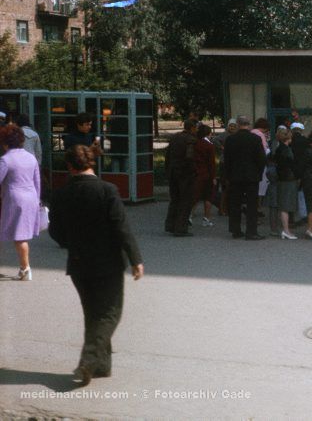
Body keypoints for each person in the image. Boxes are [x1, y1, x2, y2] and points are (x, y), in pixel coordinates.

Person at [49, 144, 143, 386]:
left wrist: (73, 244)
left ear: (69, 166)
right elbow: (121, 227)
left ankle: (102, 366)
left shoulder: (60, 194)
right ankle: (88, 362)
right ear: (92, 163)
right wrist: (135, 259)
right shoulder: (106, 190)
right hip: (107, 262)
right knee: (110, 313)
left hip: (79, 264)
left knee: (93, 314)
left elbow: (56, 232)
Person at [0, 124, 42, 281]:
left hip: (14, 198)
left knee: (19, 237)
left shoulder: (5, 160)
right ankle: (24, 268)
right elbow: (37, 181)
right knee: (21, 234)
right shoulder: (31, 158)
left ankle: (25, 268)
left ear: (5, 142)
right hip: (30, 196)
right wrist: (37, 200)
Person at [223, 116, 266, 241]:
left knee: (235, 203)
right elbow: (261, 159)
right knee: (252, 205)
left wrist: (228, 175)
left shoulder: (230, 139)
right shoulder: (255, 139)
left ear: (237, 124)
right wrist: (258, 173)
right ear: (249, 124)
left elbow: (227, 160)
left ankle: (235, 230)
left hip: (235, 176)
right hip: (252, 176)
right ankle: (251, 232)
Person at [164, 119, 197, 236]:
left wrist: (168, 171)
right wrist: (193, 171)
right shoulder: (191, 140)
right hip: (185, 174)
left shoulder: (175, 137)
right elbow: (190, 157)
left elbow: (167, 156)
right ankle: (181, 228)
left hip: (173, 172)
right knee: (185, 200)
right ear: (192, 128)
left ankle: (170, 224)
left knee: (175, 199)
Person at [274, 127, 298, 239]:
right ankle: (286, 230)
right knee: (285, 206)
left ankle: (286, 230)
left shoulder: (279, 148)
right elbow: (291, 165)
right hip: (288, 179)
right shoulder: (286, 150)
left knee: (284, 205)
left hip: (283, 179)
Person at [213, 118, 239, 216]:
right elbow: (215, 140)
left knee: (232, 187)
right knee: (225, 187)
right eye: (231, 126)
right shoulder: (225, 135)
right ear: (228, 127)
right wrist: (222, 147)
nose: (232, 128)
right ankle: (222, 208)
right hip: (225, 163)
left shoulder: (237, 135)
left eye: (234, 126)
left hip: (234, 163)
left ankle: (228, 208)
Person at [193, 124, 217, 227]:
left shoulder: (194, 144)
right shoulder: (209, 146)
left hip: (195, 173)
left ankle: (189, 215)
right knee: (208, 197)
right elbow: (211, 163)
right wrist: (214, 177)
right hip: (206, 174)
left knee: (195, 196)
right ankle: (206, 218)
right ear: (208, 134)